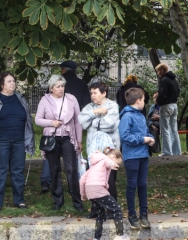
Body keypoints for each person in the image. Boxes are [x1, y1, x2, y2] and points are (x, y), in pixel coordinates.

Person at [0, 72, 34, 211]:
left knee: (18, 171)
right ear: (2, 84)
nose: (13, 83)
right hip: (1, 141)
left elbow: (28, 119)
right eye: (9, 81)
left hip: (19, 141)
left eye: (14, 81)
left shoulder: (20, 98)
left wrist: (29, 138)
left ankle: (20, 201)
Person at [35, 75, 84, 211]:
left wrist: (79, 140)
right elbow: (38, 120)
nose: (61, 89)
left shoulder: (71, 99)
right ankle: (58, 201)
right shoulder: (45, 100)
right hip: (52, 139)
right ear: (51, 88)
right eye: (58, 86)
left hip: (68, 138)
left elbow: (77, 120)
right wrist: (51, 123)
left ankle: (77, 201)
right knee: (54, 169)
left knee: (71, 170)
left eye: (62, 86)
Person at [79, 81, 121, 218]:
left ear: (104, 93)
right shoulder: (90, 107)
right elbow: (81, 121)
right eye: (91, 93)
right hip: (94, 151)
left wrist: (93, 119)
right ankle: (96, 209)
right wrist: (96, 112)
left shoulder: (112, 106)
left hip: (109, 151)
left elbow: (109, 125)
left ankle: (111, 210)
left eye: (95, 93)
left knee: (108, 181)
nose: (92, 96)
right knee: (94, 181)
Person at [80, 148, 133, 240]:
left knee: (101, 213)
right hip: (98, 188)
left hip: (90, 191)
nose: (118, 165)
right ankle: (120, 235)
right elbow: (108, 162)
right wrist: (112, 165)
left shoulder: (94, 165)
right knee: (116, 208)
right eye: (118, 162)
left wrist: (83, 194)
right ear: (113, 157)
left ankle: (97, 239)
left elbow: (82, 180)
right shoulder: (105, 159)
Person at [119, 87, 155, 230]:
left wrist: (150, 138)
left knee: (142, 185)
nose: (144, 103)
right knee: (132, 185)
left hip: (143, 155)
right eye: (144, 100)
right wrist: (143, 139)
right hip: (132, 156)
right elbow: (125, 136)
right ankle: (132, 215)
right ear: (138, 100)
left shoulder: (140, 115)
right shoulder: (127, 116)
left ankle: (144, 215)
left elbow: (145, 131)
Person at [154, 63, 181, 156]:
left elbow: (162, 93)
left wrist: (158, 101)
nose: (158, 73)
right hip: (174, 105)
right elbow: (178, 91)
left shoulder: (164, 80)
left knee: (164, 129)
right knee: (174, 129)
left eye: (158, 71)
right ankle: (177, 151)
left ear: (162, 70)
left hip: (166, 106)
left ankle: (167, 151)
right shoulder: (174, 80)